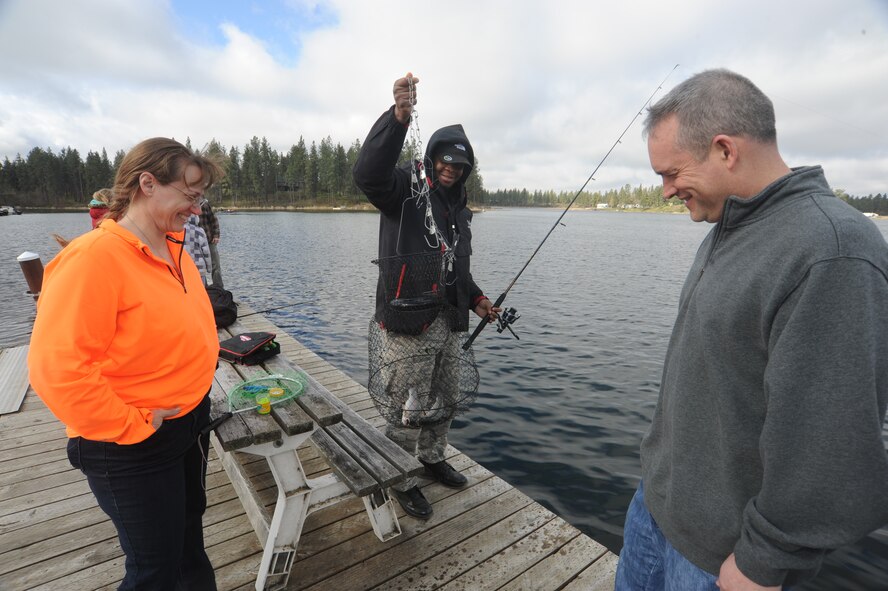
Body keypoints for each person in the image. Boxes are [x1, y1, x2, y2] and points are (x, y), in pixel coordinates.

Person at [614, 69, 888, 591]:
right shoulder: (727, 226)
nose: (667, 191)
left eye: (671, 173)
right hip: (654, 514)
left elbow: (831, 442)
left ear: (724, 150)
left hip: (723, 560)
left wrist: (762, 561)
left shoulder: (832, 249)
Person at [28, 137, 224, 590]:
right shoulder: (94, 259)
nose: (196, 209)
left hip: (187, 423)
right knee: (153, 570)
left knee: (189, 547)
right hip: (131, 442)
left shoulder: (172, 246)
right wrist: (131, 424)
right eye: (189, 195)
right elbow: (57, 369)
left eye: (200, 198)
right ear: (148, 183)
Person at [353, 72, 499, 519]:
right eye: (444, 161)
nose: (451, 169)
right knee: (403, 407)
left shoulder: (460, 212)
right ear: (432, 158)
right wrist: (398, 118)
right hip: (408, 322)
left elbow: (456, 267)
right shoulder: (405, 191)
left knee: (443, 398)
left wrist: (477, 300)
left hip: (451, 323)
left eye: (459, 164)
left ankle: (432, 458)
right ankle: (398, 474)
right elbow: (367, 174)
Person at [198, 198, 224, 287]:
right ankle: (201, 287)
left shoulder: (205, 205)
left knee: (216, 265)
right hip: (195, 243)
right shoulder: (187, 206)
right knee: (198, 266)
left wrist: (216, 235)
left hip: (209, 240)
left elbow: (214, 220)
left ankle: (219, 287)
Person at [185, 212, 214, 285]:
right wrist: (209, 268)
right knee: (200, 292)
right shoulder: (200, 231)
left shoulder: (178, 230)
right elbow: (206, 251)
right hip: (199, 268)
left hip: (184, 267)